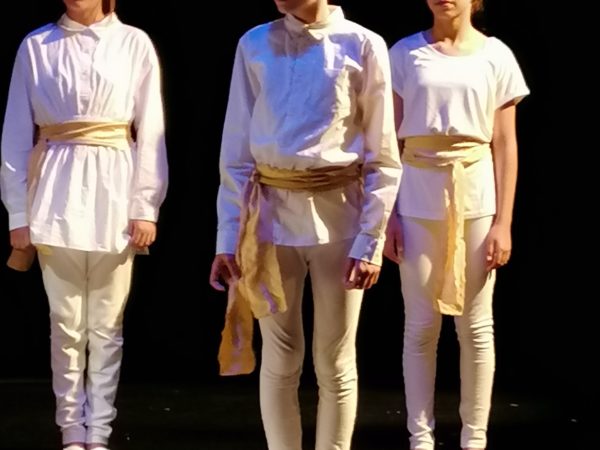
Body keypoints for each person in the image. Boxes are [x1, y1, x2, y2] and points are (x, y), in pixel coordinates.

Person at [209, 0, 401, 448]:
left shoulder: (362, 43)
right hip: (270, 220)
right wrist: (228, 235)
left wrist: (371, 238)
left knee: (335, 359)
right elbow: (236, 149)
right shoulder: (255, 43)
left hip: (341, 218)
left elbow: (383, 155)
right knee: (281, 356)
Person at [0, 0, 168, 448]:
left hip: (115, 192)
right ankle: (72, 428)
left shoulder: (133, 43)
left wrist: (145, 205)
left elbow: (151, 129)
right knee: (65, 321)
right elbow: (15, 134)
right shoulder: (37, 45)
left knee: (107, 324)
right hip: (55, 192)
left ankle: (100, 430)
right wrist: (18, 212)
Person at [384, 0, 529, 449]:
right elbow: (388, 142)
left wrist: (503, 221)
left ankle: (474, 437)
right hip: (417, 194)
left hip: (475, 195)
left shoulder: (496, 55)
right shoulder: (404, 53)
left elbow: (504, 143)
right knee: (420, 324)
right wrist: (387, 215)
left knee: (475, 324)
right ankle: (420, 437)